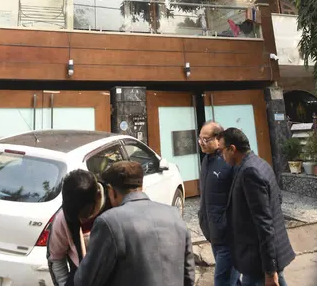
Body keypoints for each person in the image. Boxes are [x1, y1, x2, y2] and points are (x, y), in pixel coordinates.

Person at [73, 160, 196, 286]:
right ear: (141, 187)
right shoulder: (174, 214)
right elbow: (189, 275)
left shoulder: (109, 222)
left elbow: (85, 281)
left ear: (111, 191)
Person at [218, 128, 295, 286]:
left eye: (222, 151)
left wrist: (269, 271)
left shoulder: (250, 172)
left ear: (232, 149)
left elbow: (264, 224)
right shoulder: (259, 163)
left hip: (259, 262)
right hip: (259, 259)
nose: (221, 156)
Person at [48, 169, 109, 286]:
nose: (79, 221)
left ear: (98, 195)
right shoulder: (63, 218)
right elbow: (56, 257)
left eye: (84, 214)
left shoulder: (113, 205)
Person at [198, 121, 241, 286]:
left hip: (229, 237)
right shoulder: (206, 161)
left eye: (206, 139)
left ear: (219, 139)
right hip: (214, 234)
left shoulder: (229, 161)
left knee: (222, 281)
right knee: (233, 280)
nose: (202, 143)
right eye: (200, 138)